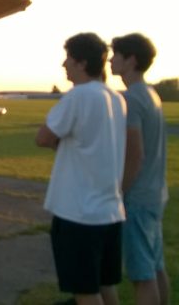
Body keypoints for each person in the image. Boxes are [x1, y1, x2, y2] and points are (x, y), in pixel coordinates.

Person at [35, 32, 126, 305]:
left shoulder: (78, 96)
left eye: (69, 59)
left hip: (78, 213)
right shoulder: (116, 98)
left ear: (82, 63)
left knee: (85, 290)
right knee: (105, 284)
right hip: (110, 211)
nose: (64, 64)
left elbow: (44, 137)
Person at [110, 33, 170, 305]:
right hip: (155, 194)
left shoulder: (132, 99)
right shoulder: (151, 94)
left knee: (141, 275)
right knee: (156, 266)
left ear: (131, 60)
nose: (111, 60)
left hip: (137, 199)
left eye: (116, 55)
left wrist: (119, 192)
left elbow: (135, 155)